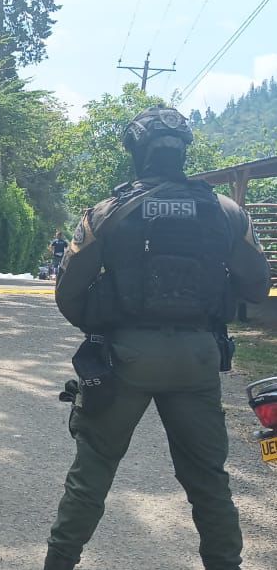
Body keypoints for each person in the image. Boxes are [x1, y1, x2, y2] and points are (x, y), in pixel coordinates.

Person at [43, 107, 271, 570]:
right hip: (198, 358)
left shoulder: (106, 213)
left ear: (135, 151)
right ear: (183, 150)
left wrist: (104, 327)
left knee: (92, 473)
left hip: (125, 355)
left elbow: (68, 293)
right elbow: (256, 285)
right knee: (209, 481)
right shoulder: (227, 212)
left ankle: (59, 563)